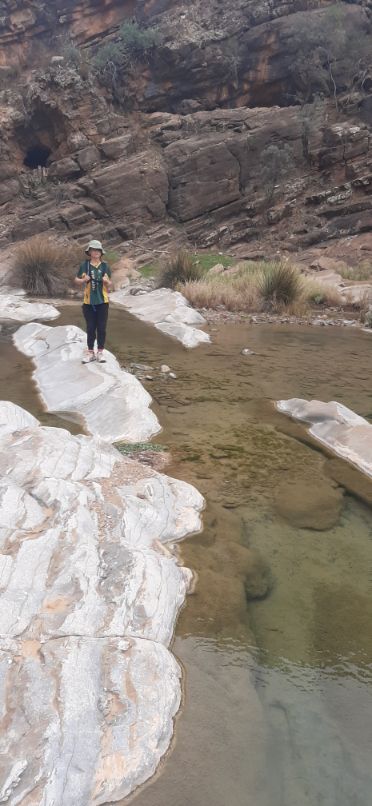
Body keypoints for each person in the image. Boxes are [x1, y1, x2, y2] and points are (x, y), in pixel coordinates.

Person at [75, 239, 112, 363]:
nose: (96, 252)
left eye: (98, 250)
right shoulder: (84, 265)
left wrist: (107, 282)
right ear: (89, 252)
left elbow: (109, 284)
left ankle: (100, 352)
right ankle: (90, 352)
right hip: (88, 302)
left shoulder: (105, 266)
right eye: (93, 250)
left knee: (101, 328)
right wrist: (83, 280)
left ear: (101, 252)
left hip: (103, 302)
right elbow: (76, 280)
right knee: (90, 327)